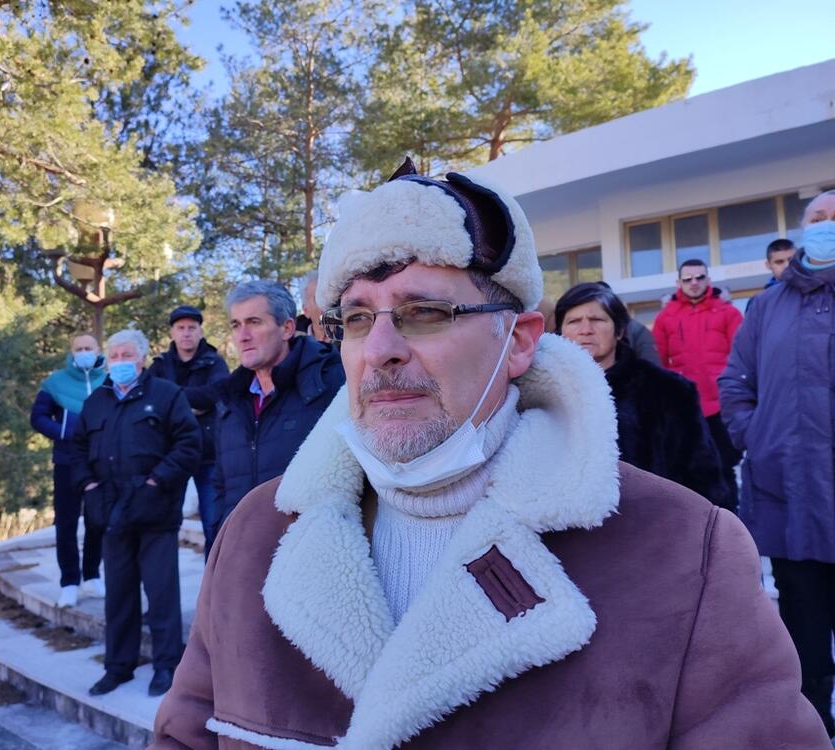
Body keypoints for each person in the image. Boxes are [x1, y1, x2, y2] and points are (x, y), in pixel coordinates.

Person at [151, 158, 828, 748]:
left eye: (424, 312)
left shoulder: (682, 550)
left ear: (520, 340)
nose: (380, 349)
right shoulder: (255, 535)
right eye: (356, 318)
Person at [719, 189, 835, 740]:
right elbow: (735, 381)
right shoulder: (767, 305)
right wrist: (756, 436)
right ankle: (815, 731)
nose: (826, 224)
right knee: (803, 639)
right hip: (790, 498)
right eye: (818, 217)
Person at [72, 329, 201, 697]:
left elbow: (189, 444)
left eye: (126, 355)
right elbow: (77, 449)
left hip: (155, 511)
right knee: (118, 595)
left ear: (142, 359)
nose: (119, 362)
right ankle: (118, 666)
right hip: (111, 514)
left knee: (161, 595)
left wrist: (157, 481)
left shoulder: (166, 395)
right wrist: (88, 486)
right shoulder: (96, 401)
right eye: (114, 356)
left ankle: (166, 666)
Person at [556, 283, 731, 508]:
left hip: (654, 520)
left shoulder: (670, 391)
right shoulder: (541, 394)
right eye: (573, 321)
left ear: (619, 331)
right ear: (560, 332)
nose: (585, 329)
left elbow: (703, 476)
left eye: (597, 320)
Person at [199, 280, 343, 552]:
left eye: (254, 322)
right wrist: (220, 538)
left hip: (309, 556)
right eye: (235, 325)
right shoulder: (229, 400)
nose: (242, 336)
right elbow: (219, 484)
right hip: (240, 556)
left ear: (286, 328)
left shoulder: (330, 383)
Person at [653, 259, 743, 509]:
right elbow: (659, 363)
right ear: (678, 283)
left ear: (708, 280)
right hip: (685, 408)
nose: (694, 283)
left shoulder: (728, 313)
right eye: (688, 279)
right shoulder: (666, 318)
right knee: (687, 469)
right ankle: (696, 526)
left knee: (725, 468)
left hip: (721, 407)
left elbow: (741, 359)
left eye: (699, 277)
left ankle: (731, 525)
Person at [31, 333, 107, 609]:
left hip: (100, 462)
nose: (84, 352)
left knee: (97, 520)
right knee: (66, 523)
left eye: (89, 348)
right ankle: (69, 582)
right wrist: (63, 432)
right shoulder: (55, 382)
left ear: (98, 350)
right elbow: (38, 417)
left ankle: (92, 575)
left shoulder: (108, 380)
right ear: (71, 352)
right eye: (79, 348)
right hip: (66, 461)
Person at [150, 306, 229, 554]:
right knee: (164, 525)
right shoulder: (159, 365)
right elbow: (151, 400)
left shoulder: (215, 362)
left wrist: (172, 402)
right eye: (181, 328)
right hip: (171, 455)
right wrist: (191, 404)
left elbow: (214, 395)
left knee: (214, 526)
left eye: (192, 328)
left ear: (200, 331)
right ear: (172, 332)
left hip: (209, 455)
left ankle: (212, 580)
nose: (186, 333)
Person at [295, 271, 330, 343]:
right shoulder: (293, 345)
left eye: (331, 297)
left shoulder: (351, 338)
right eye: (319, 299)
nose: (327, 304)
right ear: (306, 310)